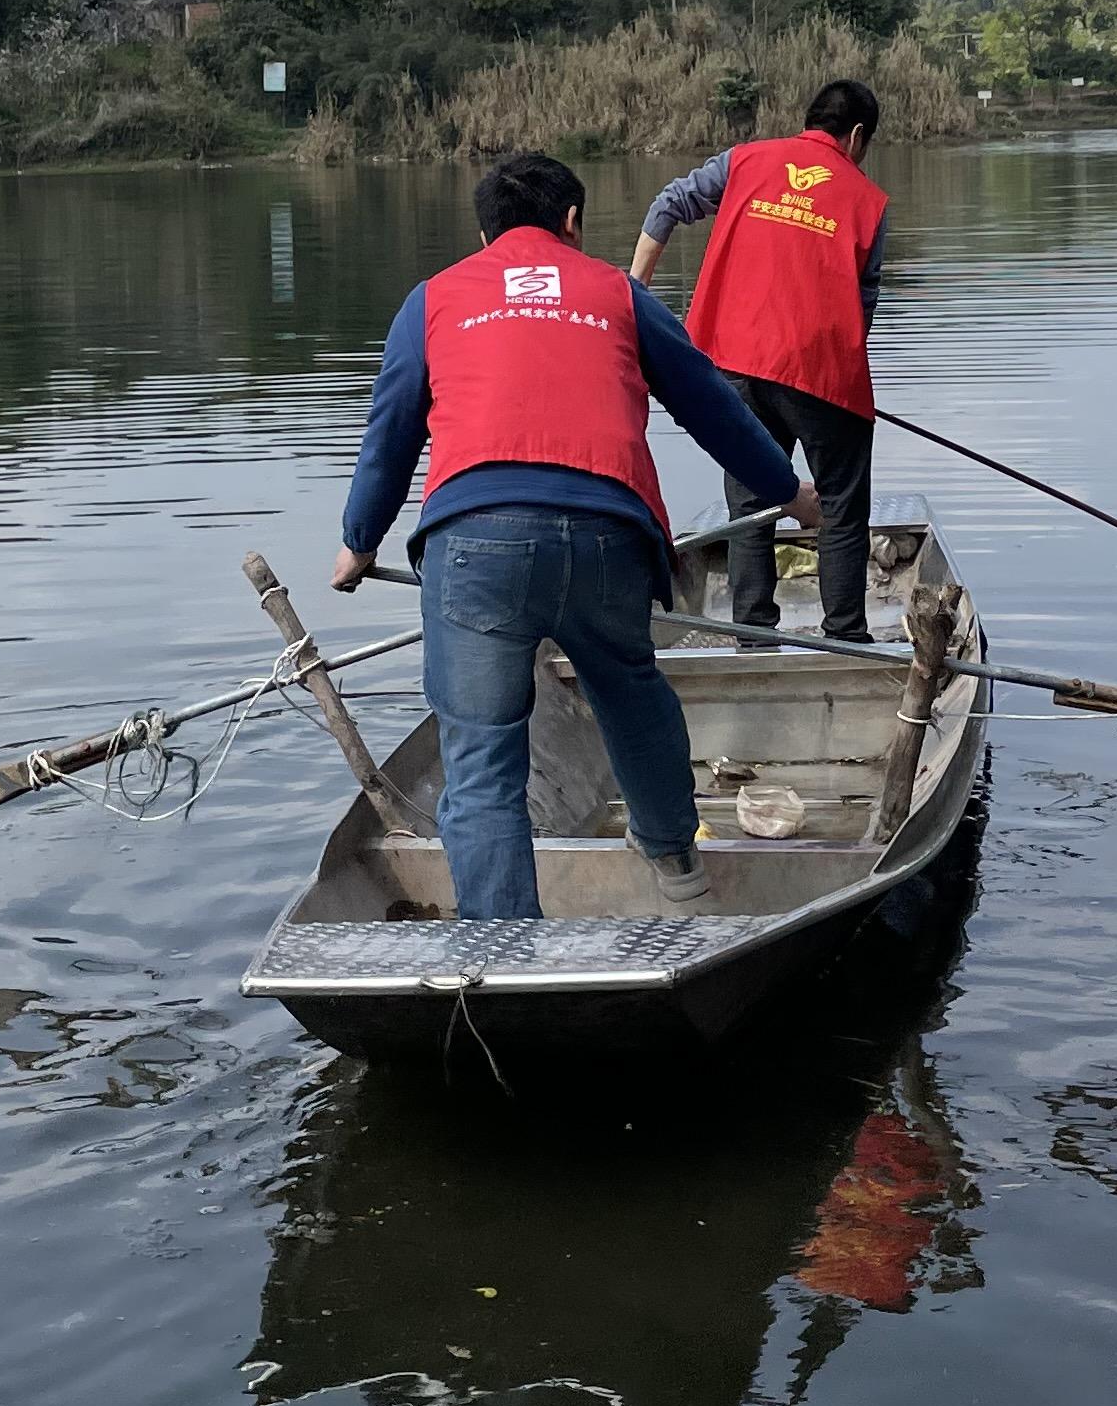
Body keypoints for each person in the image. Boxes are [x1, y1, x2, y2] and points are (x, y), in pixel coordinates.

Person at [335, 150, 817, 921]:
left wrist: (359, 541)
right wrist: (790, 493)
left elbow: (389, 432)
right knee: (631, 694)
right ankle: (678, 865)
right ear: (572, 223)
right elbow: (713, 406)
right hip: (608, 537)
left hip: (474, 543)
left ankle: (502, 950)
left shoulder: (432, 300)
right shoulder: (617, 293)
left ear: (482, 232)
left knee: (484, 756)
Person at [627, 81, 887, 641]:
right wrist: (834, 389)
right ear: (858, 136)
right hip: (818, 374)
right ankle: (845, 636)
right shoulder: (867, 201)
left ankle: (753, 634)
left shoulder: (744, 161)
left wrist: (633, 295)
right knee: (840, 505)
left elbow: (667, 205)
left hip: (732, 363)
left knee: (750, 498)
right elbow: (861, 310)